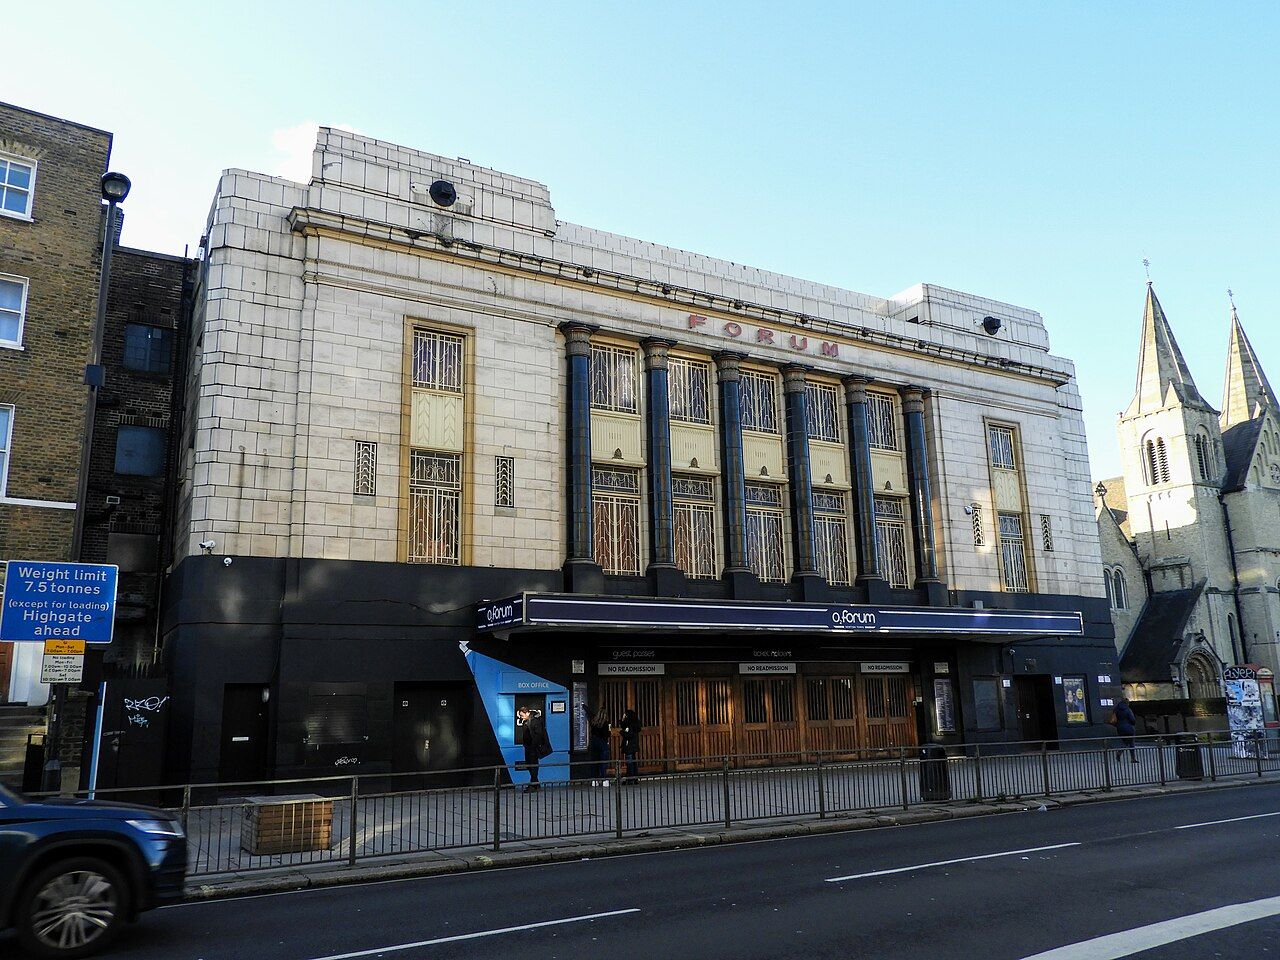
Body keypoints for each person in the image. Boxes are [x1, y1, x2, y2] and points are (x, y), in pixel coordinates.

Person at [517, 705, 553, 791]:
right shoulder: (527, 721)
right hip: (529, 747)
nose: (521, 717)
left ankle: (533, 785)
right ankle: (535, 784)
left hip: (533, 747)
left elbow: (538, 735)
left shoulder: (535, 721)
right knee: (530, 765)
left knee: (533, 766)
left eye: (522, 715)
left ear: (527, 713)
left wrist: (533, 746)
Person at [587, 705, 612, 786]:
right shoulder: (605, 723)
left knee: (595, 762)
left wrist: (584, 706)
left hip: (594, 743)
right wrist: (609, 730)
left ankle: (594, 780)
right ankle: (604, 780)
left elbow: (589, 713)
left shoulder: (594, 722)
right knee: (603, 762)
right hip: (602, 743)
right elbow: (607, 735)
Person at [1110, 696, 1139, 763]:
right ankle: (1132, 758)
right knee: (1131, 743)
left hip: (1120, 728)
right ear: (1127, 703)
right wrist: (1133, 724)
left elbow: (1114, 719)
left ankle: (1120, 753)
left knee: (1125, 741)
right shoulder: (1128, 709)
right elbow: (1132, 719)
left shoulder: (1116, 709)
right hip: (1129, 728)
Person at [619, 708, 641, 783]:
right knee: (633, 762)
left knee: (629, 763)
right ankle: (634, 778)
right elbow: (624, 726)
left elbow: (629, 734)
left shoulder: (630, 724)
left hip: (629, 745)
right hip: (633, 745)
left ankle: (630, 779)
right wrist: (622, 720)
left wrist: (622, 732)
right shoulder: (635, 724)